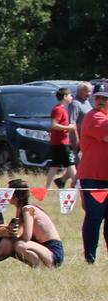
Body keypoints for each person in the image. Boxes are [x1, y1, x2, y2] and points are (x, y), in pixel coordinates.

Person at [5, 179, 63, 267]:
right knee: (12, 244)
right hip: (43, 248)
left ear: (15, 197)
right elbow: (17, 233)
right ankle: (39, 267)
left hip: (53, 251)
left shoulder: (27, 209)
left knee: (19, 245)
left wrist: (15, 239)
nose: (6, 195)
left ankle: (40, 268)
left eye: (8, 192)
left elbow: (27, 236)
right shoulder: (20, 210)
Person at [79, 89, 108, 263]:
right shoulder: (94, 117)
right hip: (93, 177)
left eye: (105, 98)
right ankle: (90, 258)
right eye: (98, 98)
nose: (101, 101)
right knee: (94, 218)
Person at [48, 87, 78, 189]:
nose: (71, 97)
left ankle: (47, 187)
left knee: (55, 165)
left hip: (58, 142)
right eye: (70, 95)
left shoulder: (62, 109)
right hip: (61, 142)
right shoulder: (59, 109)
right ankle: (78, 186)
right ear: (65, 97)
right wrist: (68, 127)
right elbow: (53, 125)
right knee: (71, 163)